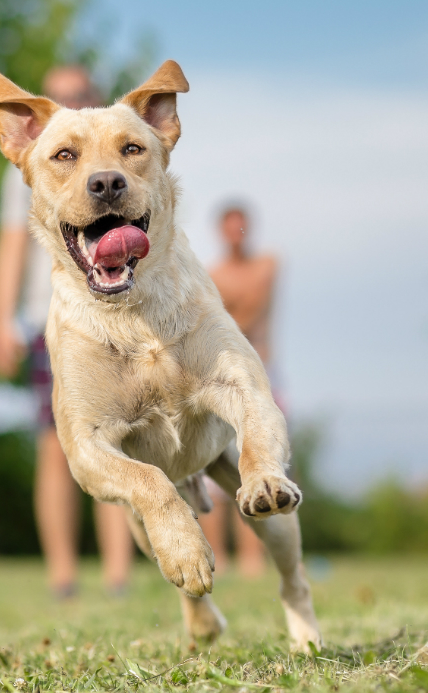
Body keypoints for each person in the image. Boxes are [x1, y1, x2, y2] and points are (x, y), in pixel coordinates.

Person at [0, 66, 133, 597]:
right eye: (61, 96)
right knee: (55, 446)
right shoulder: (30, 162)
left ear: (96, 99)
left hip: (112, 313)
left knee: (115, 441)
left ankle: (119, 574)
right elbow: (12, 246)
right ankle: (63, 575)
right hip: (49, 319)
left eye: (81, 94)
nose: (72, 102)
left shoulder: (117, 161)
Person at [201, 204, 279, 578]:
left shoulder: (267, 266)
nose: (236, 235)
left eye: (241, 228)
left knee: (261, 459)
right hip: (223, 370)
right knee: (214, 467)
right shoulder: (212, 274)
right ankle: (220, 556)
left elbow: (246, 310)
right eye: (230, 229)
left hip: (262, 370)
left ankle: (253, 558)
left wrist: (229, 309)